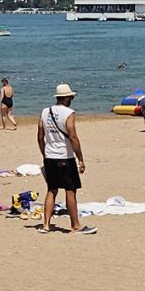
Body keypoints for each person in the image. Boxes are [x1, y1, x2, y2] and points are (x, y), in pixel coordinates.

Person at [37, 83, 94, 234]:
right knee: (70, 190)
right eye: (71, 98)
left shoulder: (45, 112)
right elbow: (73, 136)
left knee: (51, 190)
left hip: (50, 156)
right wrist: (80, 158)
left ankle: (46, 224)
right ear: (67, 98)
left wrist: (45, 153)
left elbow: (40, 137)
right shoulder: (69, 113)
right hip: (64, 156)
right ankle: (75, 225)